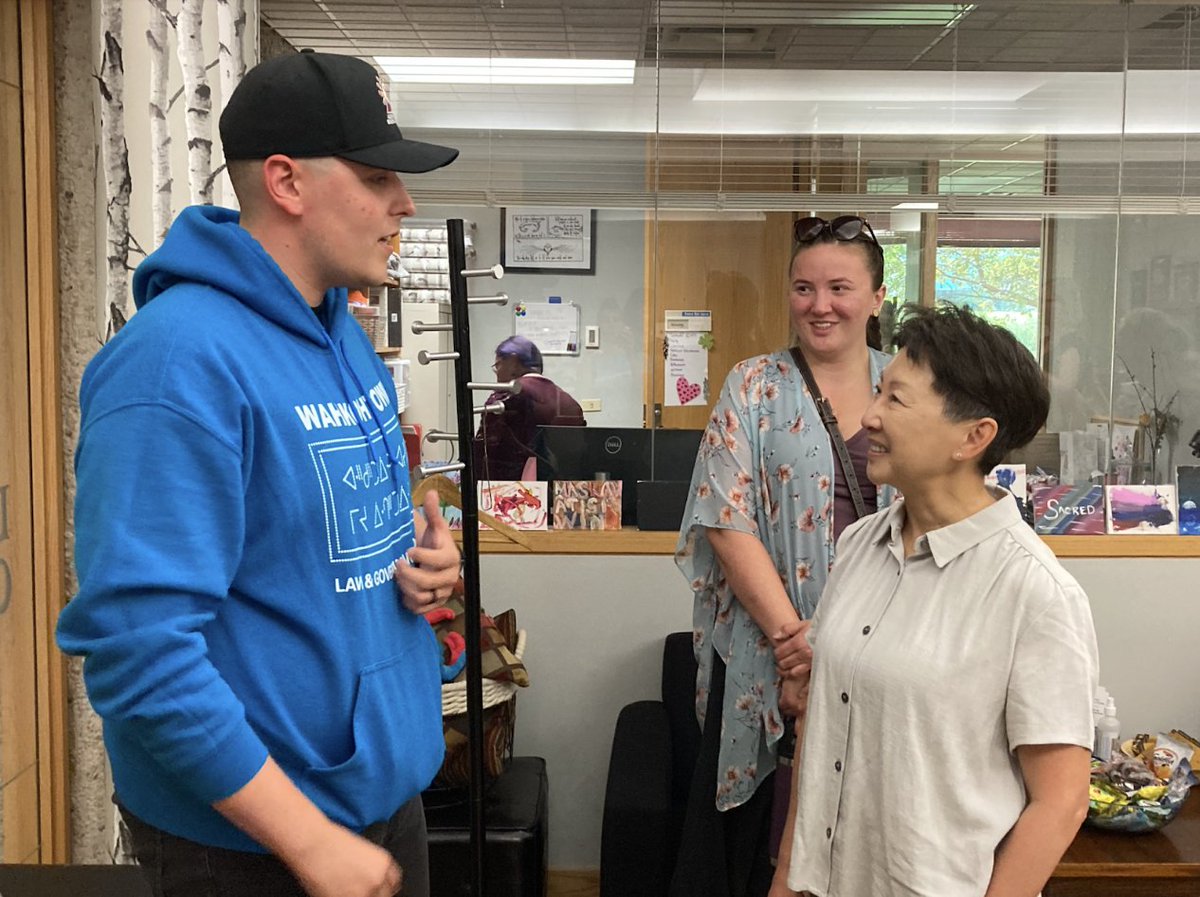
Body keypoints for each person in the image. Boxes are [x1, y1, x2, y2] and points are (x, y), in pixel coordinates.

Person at [56, 51, 463, 897]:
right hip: (253, 845)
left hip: (380, 800)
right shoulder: (173, 366)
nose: (405, 203)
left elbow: (318, 549)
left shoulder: (340, 330)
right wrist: (308, 841)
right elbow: (139, 651)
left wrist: (420, 573)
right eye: (378, 175)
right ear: (286, 182)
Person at [772, 305, 1099, 897]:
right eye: (877, 393)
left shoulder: (1033, 592)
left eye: (895, 400)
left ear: (974, 436)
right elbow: (823, 731)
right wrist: (786, 883)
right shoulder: (859, 545)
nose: (868, 416)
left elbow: (1062, 802)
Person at [672, 215, 897, 897]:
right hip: (765, 649)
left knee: (867, 833)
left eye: (839, 287)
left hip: (883, 648)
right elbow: (724, 517)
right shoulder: (754, 384)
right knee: (763, 845)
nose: (819, 304)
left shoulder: (907, 386)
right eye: (804, 287)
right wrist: (794, 641)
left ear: (878, 297)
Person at [471, 334, 585, 481]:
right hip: (561, 491)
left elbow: (486, 450)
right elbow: (577, 453)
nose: (496, 373)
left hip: (514, 493)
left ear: (513, 362)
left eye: (498, 365)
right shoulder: (569, 402)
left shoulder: (506, 396)